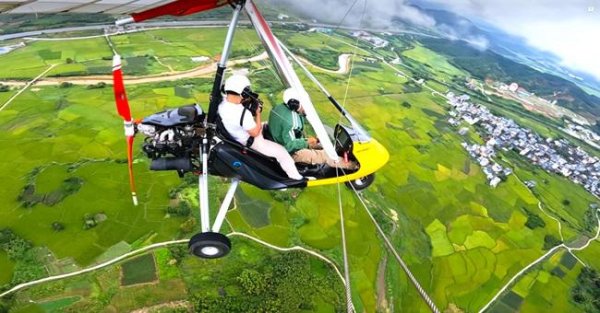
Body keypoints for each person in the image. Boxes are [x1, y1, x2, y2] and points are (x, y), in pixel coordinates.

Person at [218, 75, 304, 180]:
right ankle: (296, 177)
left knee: (267, 124)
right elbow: (255, 132)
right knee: (282, 152)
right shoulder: (242, 114)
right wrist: (257, 113)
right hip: (251, 140)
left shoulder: (222, 103)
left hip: (238, 133)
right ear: (243, 92)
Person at [268, 88, 357, 169]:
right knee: (326, 156)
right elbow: (289, 145)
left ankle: (339, 155)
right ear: (296, 104)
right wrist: (307, 141)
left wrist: (311, 140)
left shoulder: (279, 108)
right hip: (290, 153)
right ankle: (355, 166)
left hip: (282, 142)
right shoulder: (291, 121)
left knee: (323, 144)